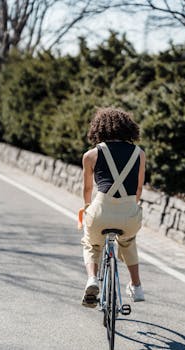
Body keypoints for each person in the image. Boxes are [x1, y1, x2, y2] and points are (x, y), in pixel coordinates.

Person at [81, 107, 146, 308]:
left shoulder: (91, 155)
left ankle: (92, 279)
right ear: (128, 128)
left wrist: (86, 209)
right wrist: (127, 209)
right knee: (127, 242)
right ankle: (136, 286)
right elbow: (138, 189)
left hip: (100, 211)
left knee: (92, 243)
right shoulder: (139, 154)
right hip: (128, 212)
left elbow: (87, 189)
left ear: (98, 129)